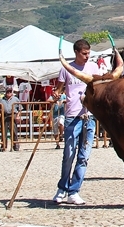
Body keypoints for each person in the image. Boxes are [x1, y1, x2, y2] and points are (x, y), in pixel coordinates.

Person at [53, 39, 101, 205]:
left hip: (89, 117)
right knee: (69, 154)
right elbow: (58, 90)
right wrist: (56, 95)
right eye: (84, 53)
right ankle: (62, 188)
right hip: (72, 117)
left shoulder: (94, 68)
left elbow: (100, 86)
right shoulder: (66, 69)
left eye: (89, 53)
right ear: (76, 52)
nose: (87, 56)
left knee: (84, 156)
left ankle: (74, 190)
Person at [0, 86, 22, 152]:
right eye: (7, 91)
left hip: (13, 115)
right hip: (4, 116)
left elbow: (20, 109)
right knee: (4, 132)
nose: (8, 93)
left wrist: (18, 116)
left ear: (12, 92)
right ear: (5, 92)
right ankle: (3, 146)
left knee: (14, 131)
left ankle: (15, 146)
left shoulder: (16, 99)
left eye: (10, 91)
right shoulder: (1, 100)